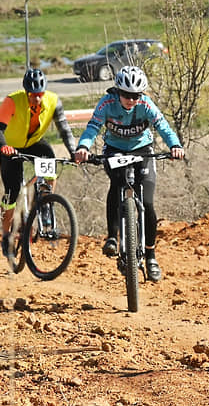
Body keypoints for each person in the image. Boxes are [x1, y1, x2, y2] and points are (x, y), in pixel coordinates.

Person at [74, 65, 184, 283]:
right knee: (117, 185)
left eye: (135, 96)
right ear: (118, 91)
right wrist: (83, 147)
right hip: (114, 150)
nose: (130, 100)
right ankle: (112, 237)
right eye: (126, 95)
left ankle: (151, 256)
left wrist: (175, 145)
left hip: (142, 150)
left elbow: (163, 126)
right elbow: (93, 127)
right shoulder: (106, 104)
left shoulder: (146, 104)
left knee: (148, 202)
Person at [0, 67, 77, 256]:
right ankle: (6, 235)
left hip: (34, 143)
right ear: (26, 92)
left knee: (50, 167)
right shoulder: (12, 101)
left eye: (40, 94)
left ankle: (44, 204)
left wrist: (74, 151)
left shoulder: (54, 101)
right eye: (32, 94)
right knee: (11, 193)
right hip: (12, 147)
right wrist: (3, 146)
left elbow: (65, 130)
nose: (36, 98)